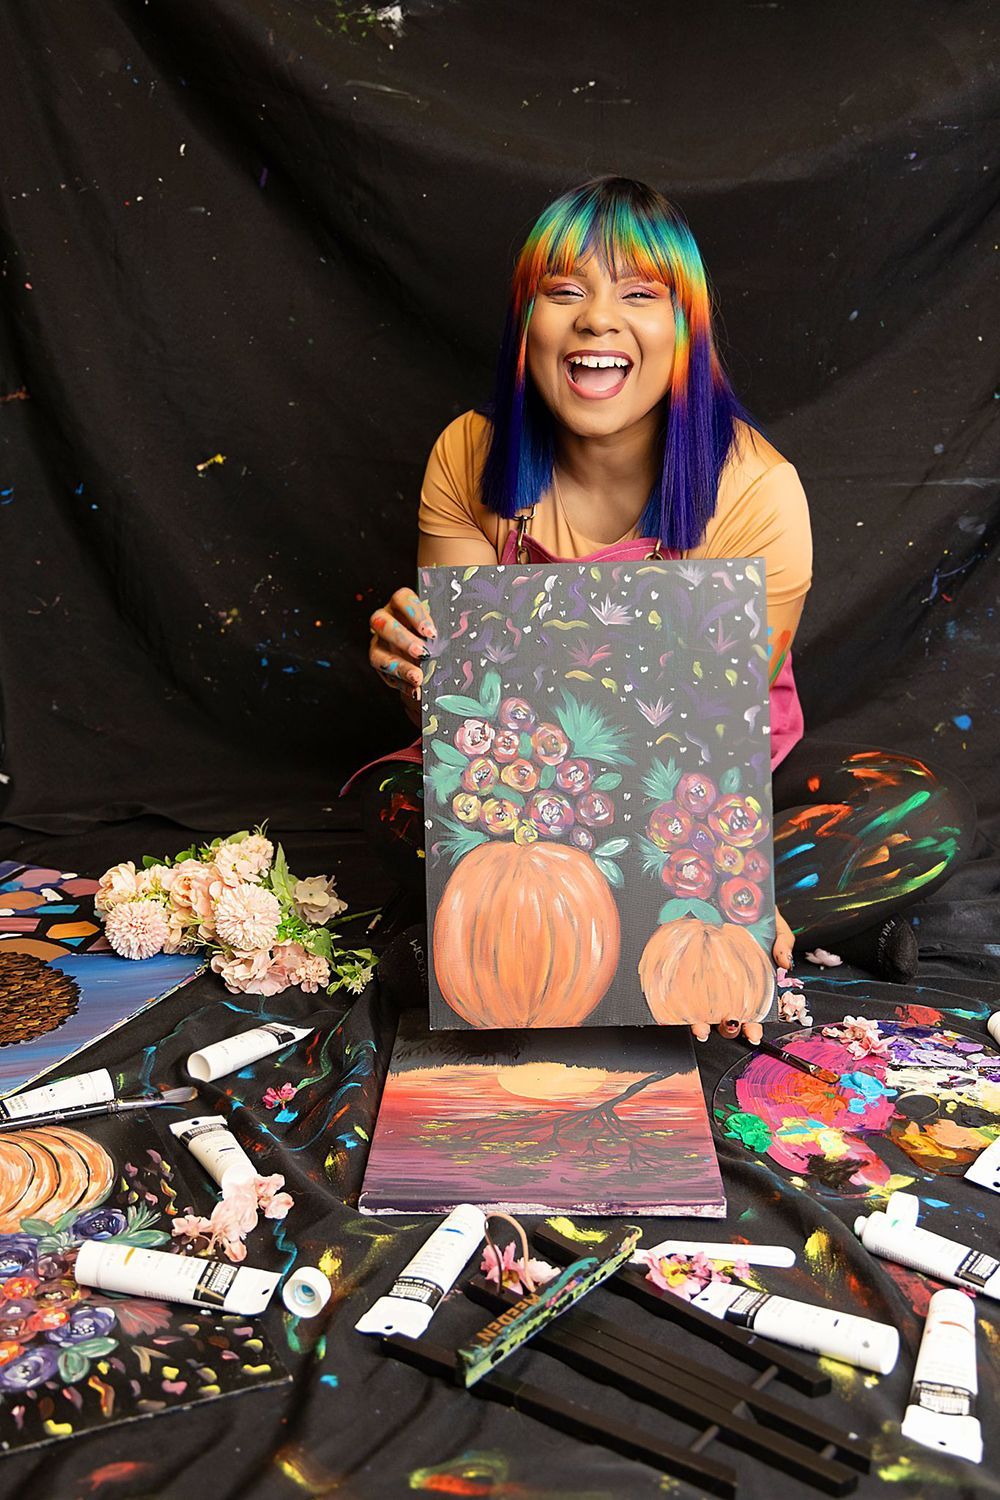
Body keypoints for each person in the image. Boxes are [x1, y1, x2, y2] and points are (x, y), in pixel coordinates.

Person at [358, 176, 975, 1040]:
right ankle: (805, 924)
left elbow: (716, 746)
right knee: (390, 796)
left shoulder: (759, 489)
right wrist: (412, 672)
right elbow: (463, 736)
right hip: (531, 798)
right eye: (564, 291)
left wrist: (721, 889)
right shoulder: (468, 456)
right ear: (524, 324)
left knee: (923, 814)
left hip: (713, 787)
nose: (597, 319)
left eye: (639, 295)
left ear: (684, 329)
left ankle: (598, 940)